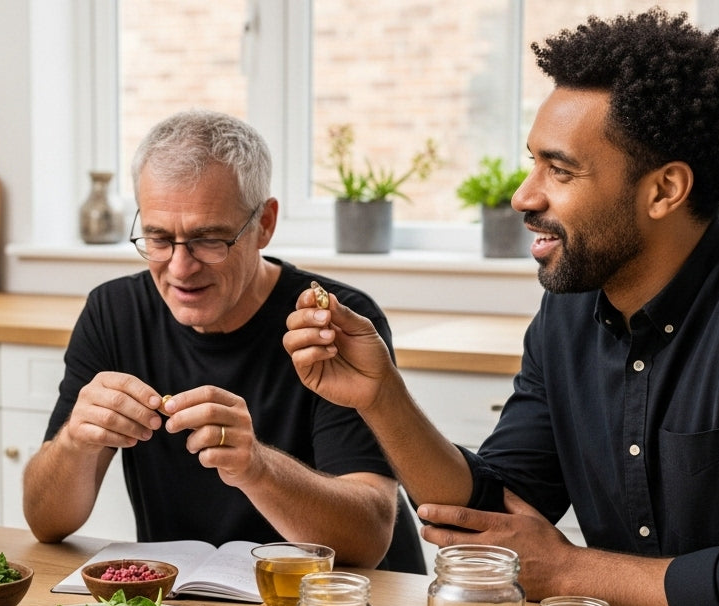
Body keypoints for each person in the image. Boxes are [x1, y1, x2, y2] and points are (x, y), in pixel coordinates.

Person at [284, 8, 719, 606]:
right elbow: (488, 515)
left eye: (560, 170)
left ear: (664, 191)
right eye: (532, 162)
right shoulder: (569, 309)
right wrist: (382, 397)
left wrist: (569, 568)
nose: (523, 195)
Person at [23, 109, 424, 572]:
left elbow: (369, 537)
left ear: (265, 224)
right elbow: (45, 523)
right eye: (158, 238)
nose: (179, 267)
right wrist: (76, 440)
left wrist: (257, 467)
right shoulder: (114, 313)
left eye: (208, 240)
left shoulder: (329, 321)